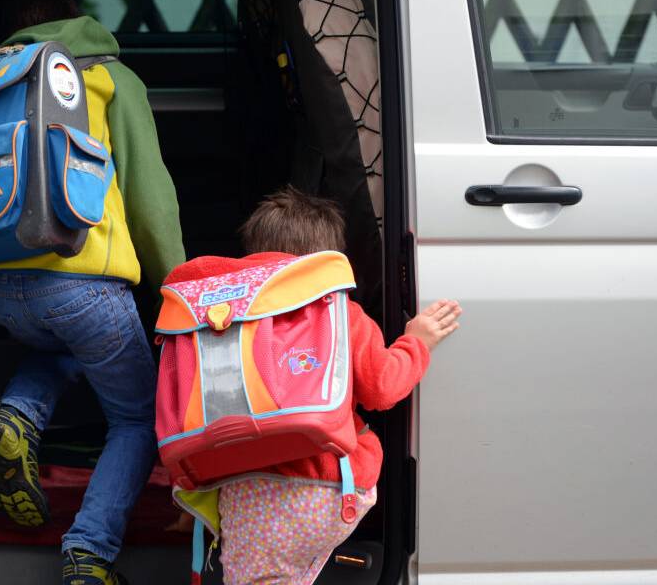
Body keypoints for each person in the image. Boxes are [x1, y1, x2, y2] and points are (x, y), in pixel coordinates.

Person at [0, 0, 185, 585]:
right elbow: (149, 198)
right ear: (74, 19)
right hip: (83, 281)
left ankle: (17, 411)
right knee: (138, 417)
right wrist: (178, 285)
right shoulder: (106, 76)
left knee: (66, 346)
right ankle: (89, 552)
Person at [161, 186, 460, 585]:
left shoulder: (218, 323)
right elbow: (382, 388)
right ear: (327, 261)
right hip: (325, 488)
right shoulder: (339, 314)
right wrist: (416, 343)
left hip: (241, 493)